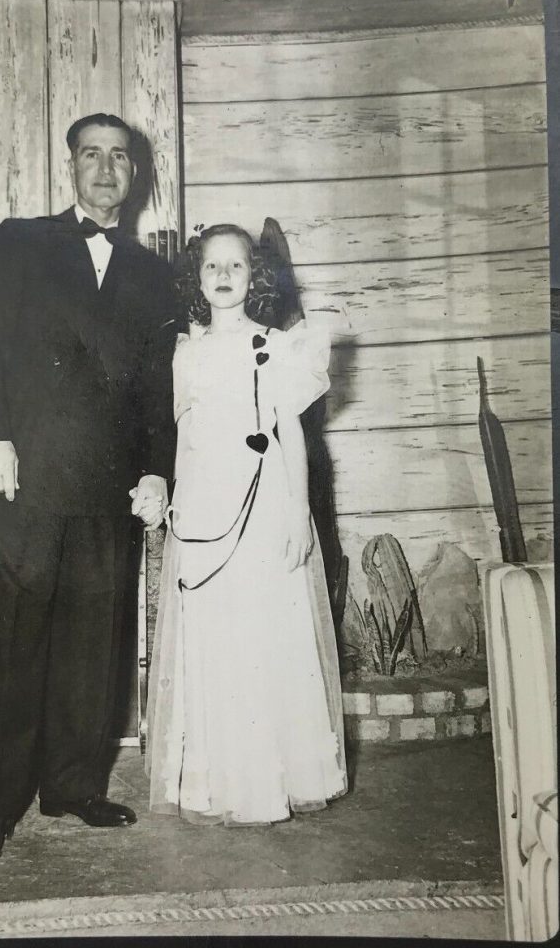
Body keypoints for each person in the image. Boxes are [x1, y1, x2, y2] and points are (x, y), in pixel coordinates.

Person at [0, 113, 176, 866]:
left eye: (120, 157)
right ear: (70, 167)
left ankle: (75, 786)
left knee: (94, 646)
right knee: (8, 644)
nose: (106, 168)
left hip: (105, 485)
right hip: (23, 476)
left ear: (135, 175)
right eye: (92, 154)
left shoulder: (154, 275)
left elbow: (157, 385)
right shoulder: (19, 241)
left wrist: (156, 470)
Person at [145, 223, 348, 826]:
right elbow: (182, 435)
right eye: (213, 267)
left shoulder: (278, 347)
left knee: (263, 636)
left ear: (255, 277)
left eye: (237, 266)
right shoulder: (184, 351)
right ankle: (213, 781)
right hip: (206, 509)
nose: (225, 275)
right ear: (197, 279)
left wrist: (295, 514)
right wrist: (175, 505)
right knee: (213, 636)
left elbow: (289, 437)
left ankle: (269, 778)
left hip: (262, 508)